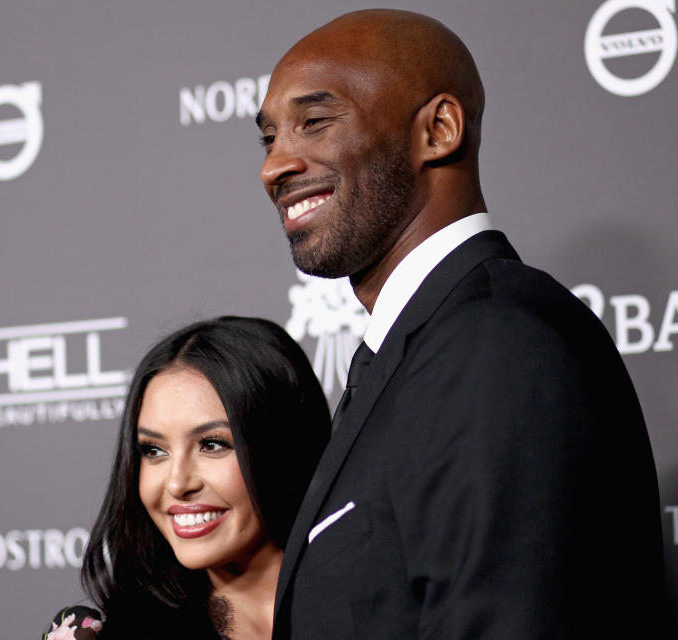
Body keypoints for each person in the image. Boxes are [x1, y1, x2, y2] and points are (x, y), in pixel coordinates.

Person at [255, 9, 665, 638]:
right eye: (270, 137)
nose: (275, 166)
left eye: (315, 123)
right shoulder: (425, 344)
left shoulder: (493, 345)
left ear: (439, 130)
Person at [44, 316, 331, 640]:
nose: (177, 483)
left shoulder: (380, 600)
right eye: (154, 451)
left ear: (286, 448)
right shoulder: (94, 635)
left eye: (211, 445)